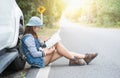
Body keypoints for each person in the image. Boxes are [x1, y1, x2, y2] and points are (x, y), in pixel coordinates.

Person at [21, 16, 98, 68]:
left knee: (63, 52)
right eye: (39, 27)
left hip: (39, 60)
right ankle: (76, 59)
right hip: (37, 62)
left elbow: (40, 45)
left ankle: (84, 57)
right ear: (34, 27)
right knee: (57, 45)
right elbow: (34, 54)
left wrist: (47, 41)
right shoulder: (28, 38)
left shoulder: (32, 35)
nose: (40, 28)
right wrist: (46, 52)